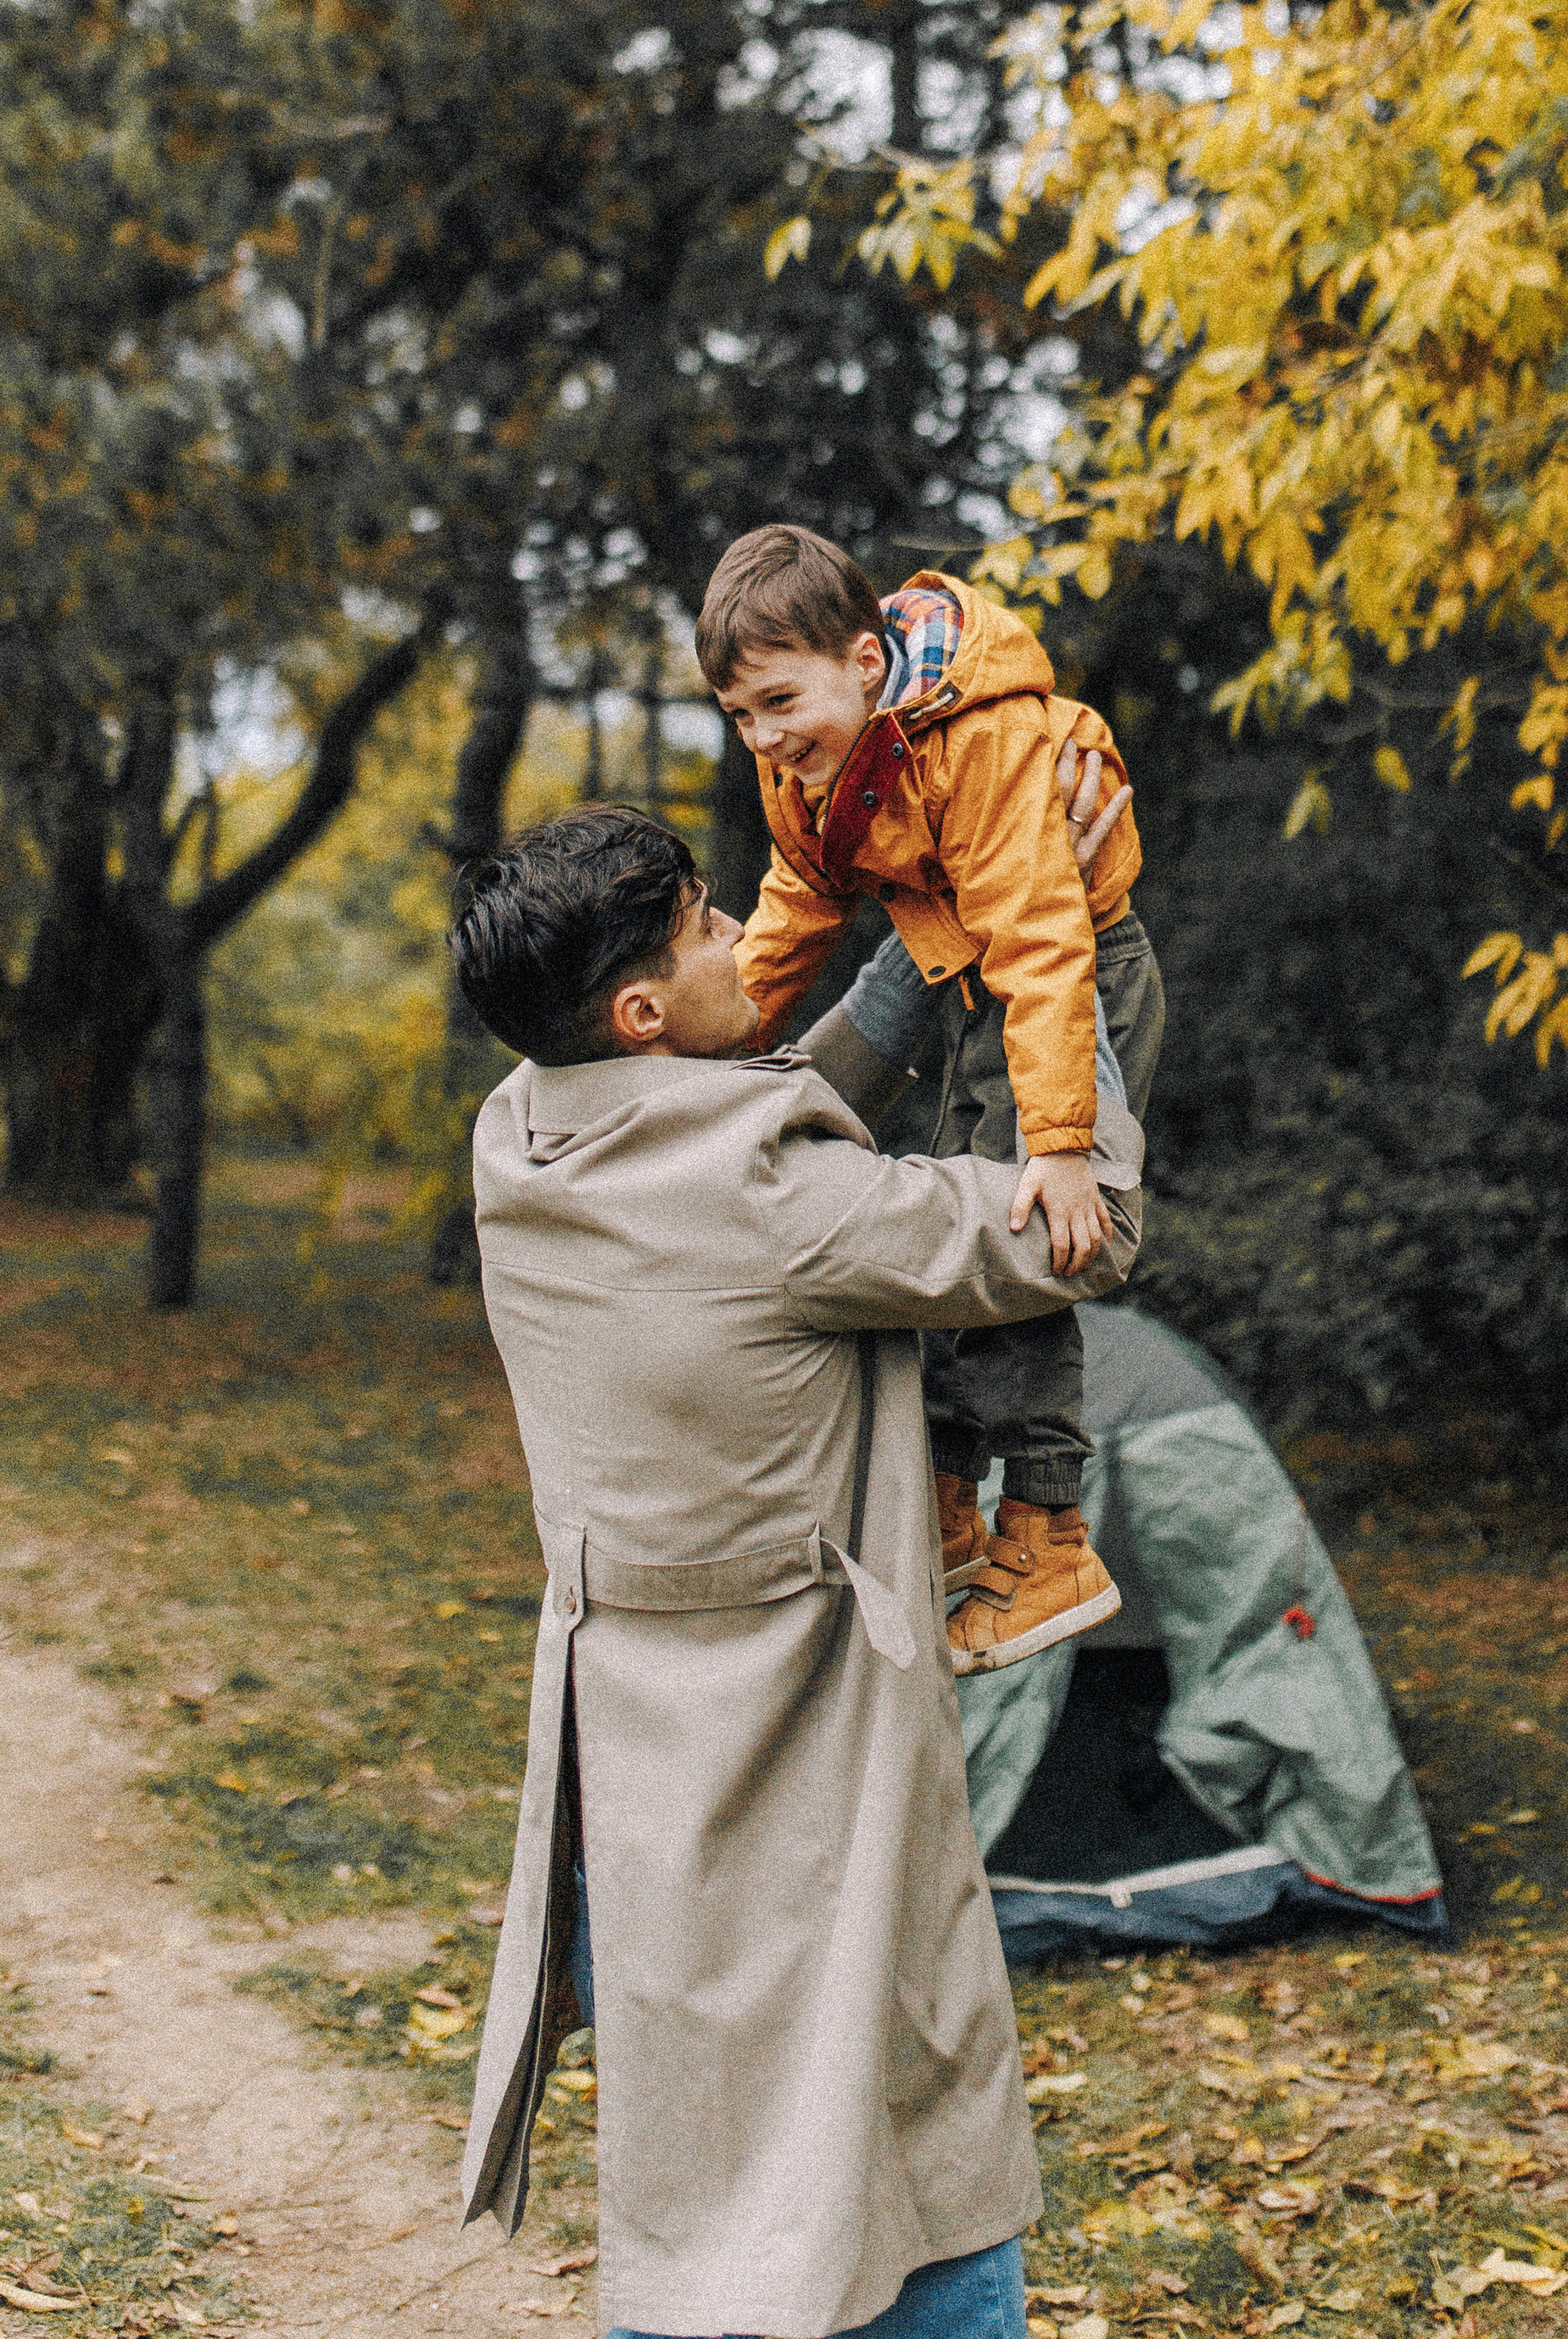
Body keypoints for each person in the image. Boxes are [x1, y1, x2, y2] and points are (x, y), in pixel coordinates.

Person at [448, 800, 1142, 2339]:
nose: (736, 936)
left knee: (695, 2143)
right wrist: (1076, 949)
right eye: (705, 924)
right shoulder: (779, 1201)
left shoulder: (522, 1135)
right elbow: (1078, 1233)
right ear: (643, 1014)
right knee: (908, 2099)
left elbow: (752, 1109)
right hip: (813, 1735)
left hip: (639, 1746)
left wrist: (915, 938)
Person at [695, 524, 1164, 1675]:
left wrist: (1060, 1142)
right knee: (943, 1212)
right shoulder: (809, 765)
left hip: (1073, 983)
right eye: (739, 715)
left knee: (1021, 1228)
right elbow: (797, 908)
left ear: (865, 663)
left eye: (779, 702)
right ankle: (950, 1495)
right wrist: (713, 1048)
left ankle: (1049, 1532)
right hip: (963, 976)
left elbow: (1041, 940)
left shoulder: (976, 740)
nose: (764, 738)